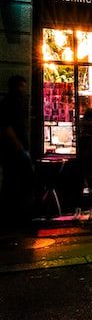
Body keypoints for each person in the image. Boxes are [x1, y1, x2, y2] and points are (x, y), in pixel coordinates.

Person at [0, 75, 33, 225]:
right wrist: (18, 145)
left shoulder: (16, 102)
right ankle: (15, 215)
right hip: (14, 150)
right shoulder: (9, 103)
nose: (24, 89)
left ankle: (15, 214)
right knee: (17, 181)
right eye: (22, 86)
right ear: (15, 87)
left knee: (15, 181)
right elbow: (6, 126)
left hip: (17, 149)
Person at [73, 108, 92, 213]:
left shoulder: (82, 125)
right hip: (90, 157)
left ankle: (78, 208)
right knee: (90, 184)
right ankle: (91, 207)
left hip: (81, 157)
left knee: (79, 184)